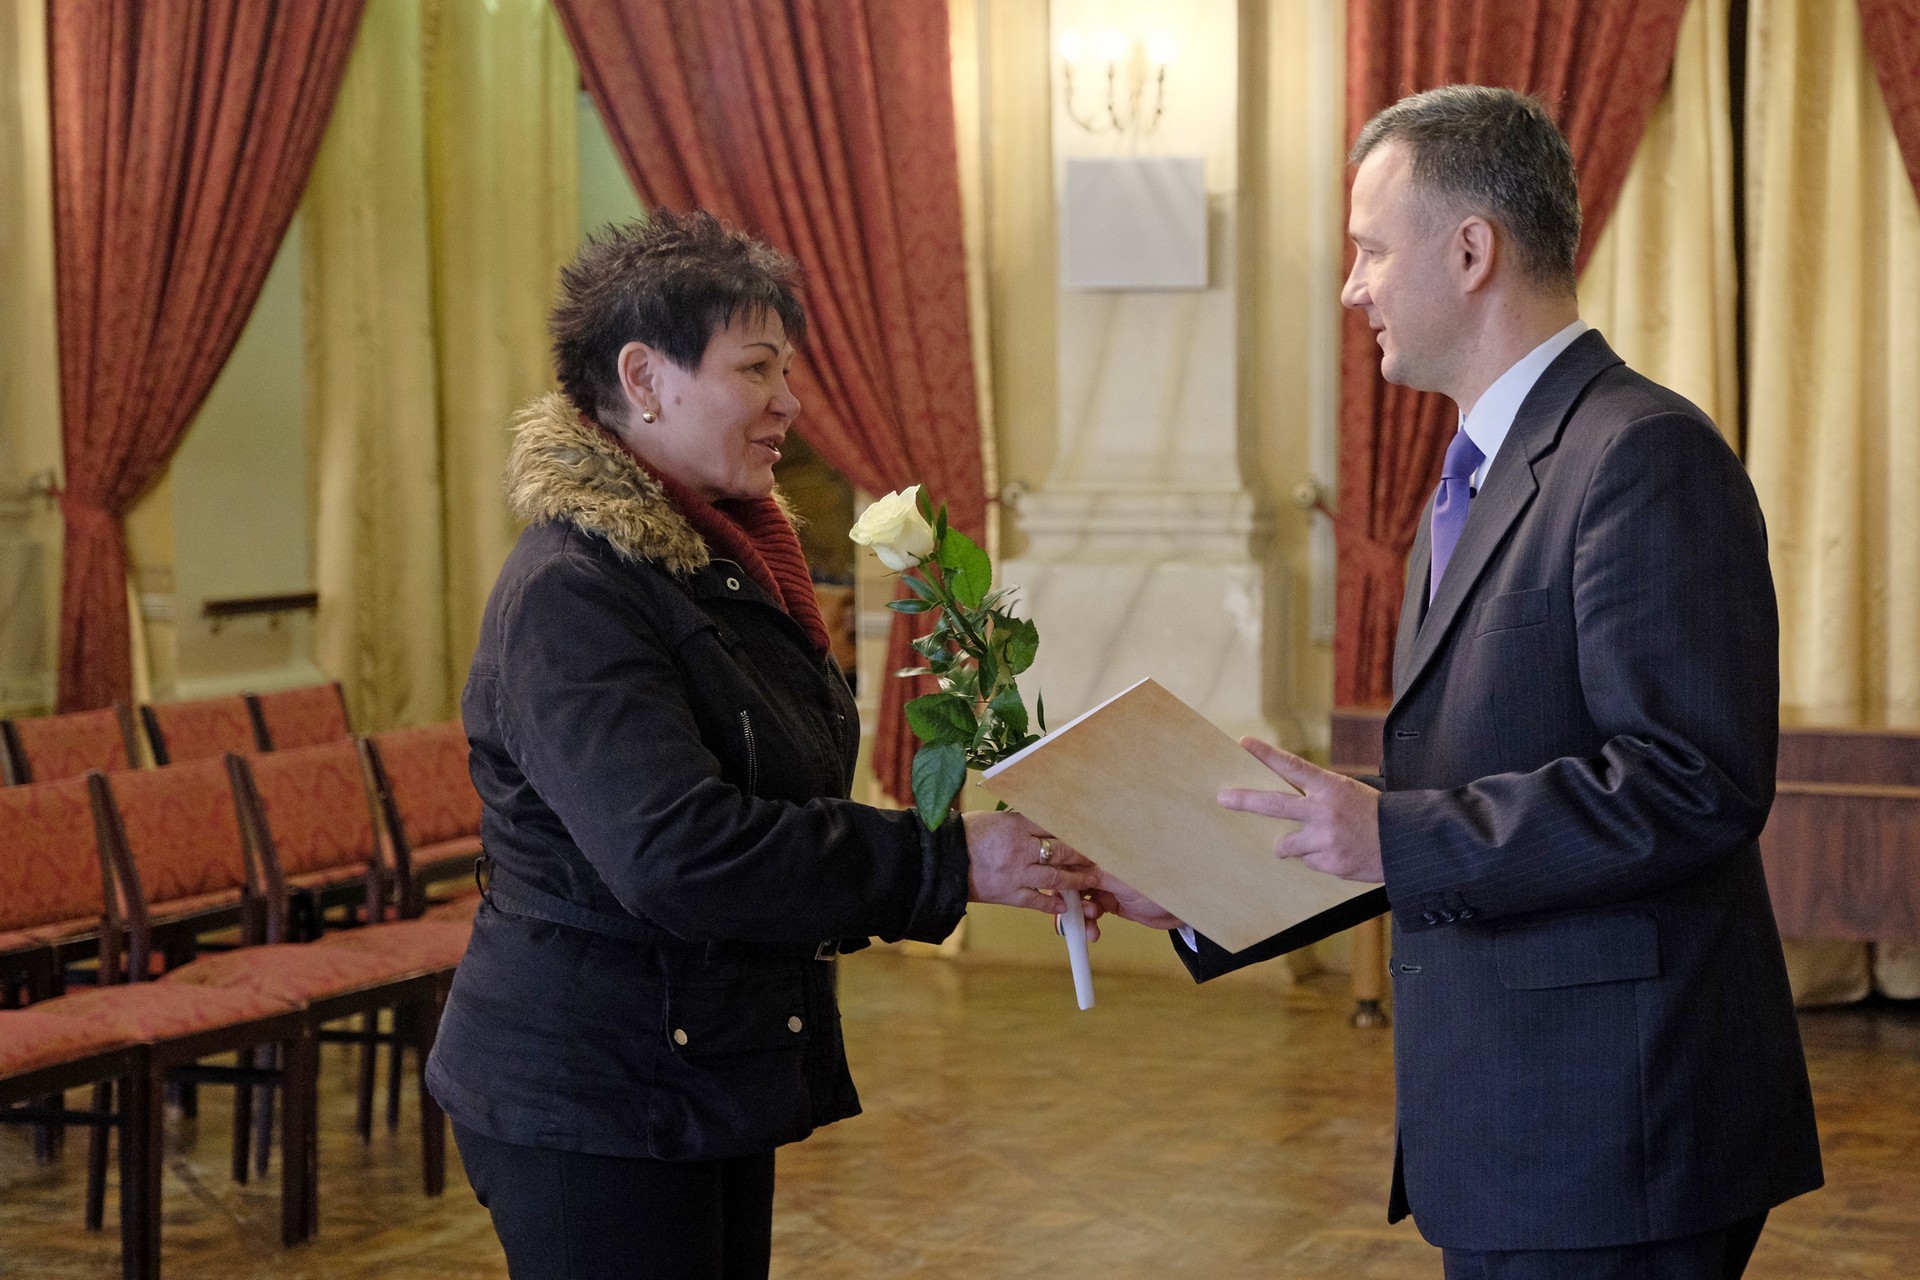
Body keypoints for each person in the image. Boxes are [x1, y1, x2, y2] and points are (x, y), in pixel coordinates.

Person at [1101, 86, 1822, 1277]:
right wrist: (1211, 882)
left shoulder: (1641, 452)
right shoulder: (1479, 470)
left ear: (1472, 251)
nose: (1353, 287)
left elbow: (1693, 782)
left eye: (1371, 249)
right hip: (1523, 1127)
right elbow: (1458, 792)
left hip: (1617, 1130)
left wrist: (1387, 831)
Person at [425, 210, 1096, 1280]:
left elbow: (777, 790)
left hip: (694, 1066)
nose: (790, 402)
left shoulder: (722, 565)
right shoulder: (574, 591)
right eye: (756, 367)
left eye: (786, 367)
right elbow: (679, 852)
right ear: (644, 377)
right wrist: (947, 860)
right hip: (594, 1088)